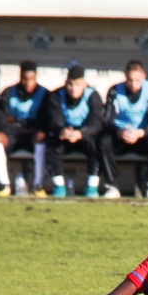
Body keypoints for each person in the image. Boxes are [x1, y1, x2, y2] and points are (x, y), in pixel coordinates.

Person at [100, 60, 148, 200]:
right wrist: (119, 132)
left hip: (142, 136)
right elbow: (107, 120)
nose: (133, 84)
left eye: (137, 80)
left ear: (144, 76)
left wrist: (141, 133)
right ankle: (112, 185)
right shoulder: (115, 90)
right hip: (121, 135)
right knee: (104, 141)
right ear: (125, 77)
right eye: (129, 80)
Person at [0, 61, 49, 197]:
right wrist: (15, 126)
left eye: (32, 79)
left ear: (36, 78)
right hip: (12, 136)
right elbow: (0, 119)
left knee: (41, 137)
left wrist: (21, 123)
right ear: (20, 77)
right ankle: (4, 185)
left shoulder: (44, 94)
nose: (28, 83)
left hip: (31, 137)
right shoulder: (9, 92)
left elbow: (46, 121)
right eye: (25, 79)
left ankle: (38, 185)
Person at [44, 65, 104, 198]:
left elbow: (96, 123)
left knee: (98, 144)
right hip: (65, 135)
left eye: (77, 85)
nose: (73, 89)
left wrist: (81, 134)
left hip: (84, 135)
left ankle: (92, 187)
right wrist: (62, 130)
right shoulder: (56, 95)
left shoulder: (93, 95)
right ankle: (59, 186)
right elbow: (53, 120)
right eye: (70, 84)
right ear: (66, 83)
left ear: (84, 84)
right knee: (51, 144)